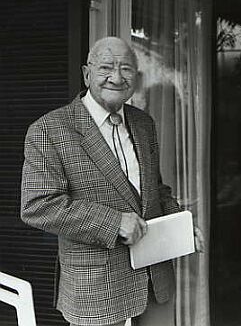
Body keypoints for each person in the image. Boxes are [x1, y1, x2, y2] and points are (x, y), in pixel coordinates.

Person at [21, 37, 201, 326]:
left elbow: (154, 190)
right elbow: (38, 205)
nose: (116, 78)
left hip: (154, 274)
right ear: (86, 73)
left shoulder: (143, 123)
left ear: (136, 77)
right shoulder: (49, 129)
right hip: (95, 282)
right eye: (106, 67)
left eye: (126, 69)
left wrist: (178, 223)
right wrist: (114, 223)